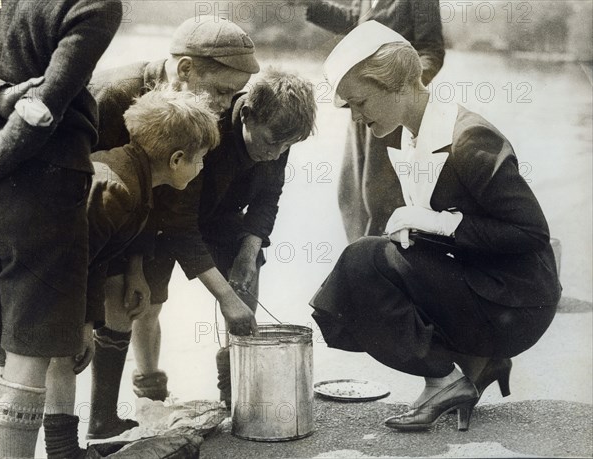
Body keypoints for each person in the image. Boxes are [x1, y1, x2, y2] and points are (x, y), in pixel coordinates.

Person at [310, 21, 561, 432]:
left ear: (393, 84)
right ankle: (473, 366)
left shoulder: (469, 138)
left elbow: (531, 234)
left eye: (359, 101)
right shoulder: (413, 135)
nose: (356, 117)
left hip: (517, 301)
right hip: (485, 286)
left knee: (362, 259)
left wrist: (438, 224)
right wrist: (422, 232)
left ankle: (445, 380)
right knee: (376, 258)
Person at [86, 16, 260, 439]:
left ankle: (132, 405)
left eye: (232, 94)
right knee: (102, 307)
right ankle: (99, 420)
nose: (225, 104)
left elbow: (174, 207)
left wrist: (137, 266)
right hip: (88, 218)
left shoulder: (202, 111)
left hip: (139, 222)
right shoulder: (111, 95)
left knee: (139, 302)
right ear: (185, 69)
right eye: (220, 90)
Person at [134, 68, 317, 409]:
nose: (277, 154)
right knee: (148, 301)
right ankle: (150, 387)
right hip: (165, 214)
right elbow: (181, 225)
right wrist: (224, 295)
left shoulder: (280, 133)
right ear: (247, 113)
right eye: (270, 142)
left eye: (287, 145)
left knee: (248, 266)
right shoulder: (208, 125)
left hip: (221, 215)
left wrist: (248, 253)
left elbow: (267, 199)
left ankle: (236, 377)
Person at [0, 1, 122, 457]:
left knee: (6, 337)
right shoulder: (94, 5)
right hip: (45, 182)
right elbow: (43, 106)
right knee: (31, 339)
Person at [295, 0, 445, 242]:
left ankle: (381, 262)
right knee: (350, 193)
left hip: (393, 113)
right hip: (362, 109)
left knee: (382, 200)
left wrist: (399, 91)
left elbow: (432, 50)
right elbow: (354, 21)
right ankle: (359, 260)